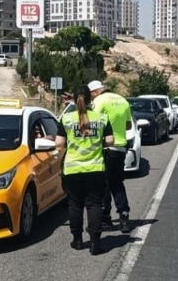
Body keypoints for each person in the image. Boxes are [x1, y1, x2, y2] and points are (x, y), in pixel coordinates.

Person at [55, 86, 115, 255]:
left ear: (74, 100)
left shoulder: (66, 118)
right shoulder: (102, 118)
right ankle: (96, 242)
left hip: (73, 170)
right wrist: (97, 143)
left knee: (75, 205)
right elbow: (110, 141)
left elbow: (59, 144)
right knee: (94, 204)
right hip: (95, 169)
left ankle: (78, 240)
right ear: (91, 100)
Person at [88, 80, 133, 234]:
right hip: (120, 148)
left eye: (91, 95)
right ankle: (124, 217)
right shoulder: (122, 100)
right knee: (117, 183)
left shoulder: (99, 101)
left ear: (94, 92)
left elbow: (93, 122)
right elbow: (128, 126)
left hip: (105, 147)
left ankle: (105, 218)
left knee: (104, 184)